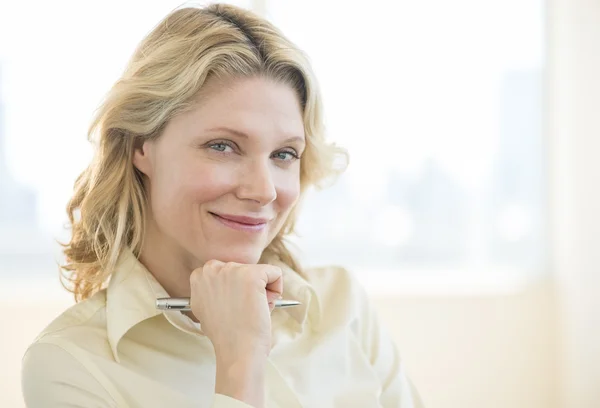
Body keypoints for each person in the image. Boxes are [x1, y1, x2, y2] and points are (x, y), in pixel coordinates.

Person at [21, 4, 424, 407]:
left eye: (284, 154)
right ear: (141, 146)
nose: (264, 190)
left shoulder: (343, 306)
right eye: (223, 146)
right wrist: (239, 361)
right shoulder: (69, 366)